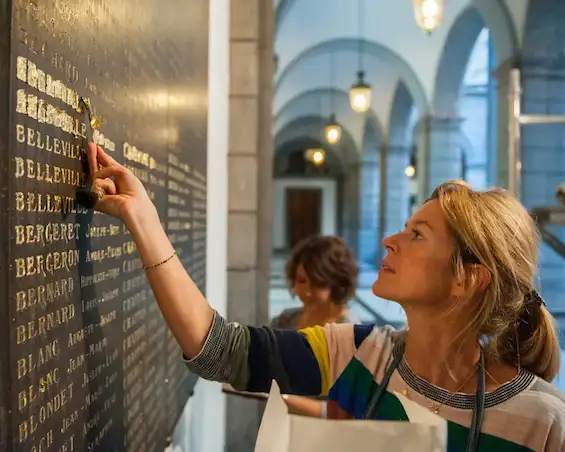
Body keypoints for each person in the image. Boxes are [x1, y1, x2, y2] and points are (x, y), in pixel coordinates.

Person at [88, 143, 565, 451]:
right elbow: (220, 351)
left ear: (467, 279)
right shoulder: (360, 353)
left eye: (417, 235)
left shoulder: (542, 422)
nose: (389, 241)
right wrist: (144, 221)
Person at [270, 235, 357, 330]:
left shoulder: (351, 334)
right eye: (301, 281)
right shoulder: (283, 323)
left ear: (337, 282)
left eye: (317, 283)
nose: (307, 292)